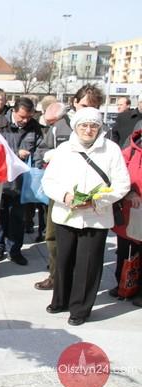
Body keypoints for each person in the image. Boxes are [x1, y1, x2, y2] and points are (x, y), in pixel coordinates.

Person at [42, 107, 130, 326]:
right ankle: (60, 299)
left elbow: (122, 184)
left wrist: (97, 201)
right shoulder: (64, 149)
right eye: (84, 125)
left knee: (88, 264)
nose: (88, 130)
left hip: (96, 216)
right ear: (76, 126)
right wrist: (66, 196)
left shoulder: (111, 150)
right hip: (66, 213)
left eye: (93, 126)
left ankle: (80, 309)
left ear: (100, 128)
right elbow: (48, 181)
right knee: (63, 260)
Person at [0, 97, 43, 265]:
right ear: (13, 111)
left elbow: (40, 148)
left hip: (22, 180)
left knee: (17, 217)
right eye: (22, 117)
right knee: (0, 215)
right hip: (2, 177)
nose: (25, 120)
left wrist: (36, 165)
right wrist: (15, 153)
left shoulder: (34, 127)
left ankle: (14, 250)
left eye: (28, 117)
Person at [32, 102, 72, 290]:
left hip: (76, 193)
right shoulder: (56, 128)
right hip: (58, 190)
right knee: (53, 235)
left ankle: (61, 277)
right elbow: (42, 150)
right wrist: (46, 158)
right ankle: (57, 275)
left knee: (58, 236)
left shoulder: (68, 126)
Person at [109, 122, 142, 306]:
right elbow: (117, 176)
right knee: (124, 251)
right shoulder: (129, 151)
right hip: (129, 212)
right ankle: (123, 285)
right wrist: (129, 192)